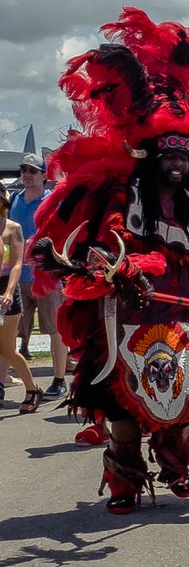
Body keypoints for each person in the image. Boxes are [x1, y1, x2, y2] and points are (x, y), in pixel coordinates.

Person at [30, 8, 189, 515]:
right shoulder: (121, 197)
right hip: (121, 320)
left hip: (173, 317)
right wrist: (118, 271)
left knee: (181, 398)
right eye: (168, 157)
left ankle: (175, 467)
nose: (176, 164)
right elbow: (98, 252)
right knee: (118, 407)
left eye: (183, 156)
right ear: (152, 158)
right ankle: (124, 481)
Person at [4, 153, 69, 396]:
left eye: (32, 171)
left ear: (44, 175)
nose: (27, 175)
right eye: (24, 170)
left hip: (47, 277)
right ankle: (3, 379)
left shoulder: (54, 201)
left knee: (55, 330)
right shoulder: (16, 201)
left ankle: (59, 379)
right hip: (18, 278)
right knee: (11, 330)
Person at [1, 198, 42, 412]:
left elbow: (17, 264)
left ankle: (32, 388)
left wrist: (8, 292)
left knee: (7, 348)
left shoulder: (12, 228)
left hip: (6, 289)